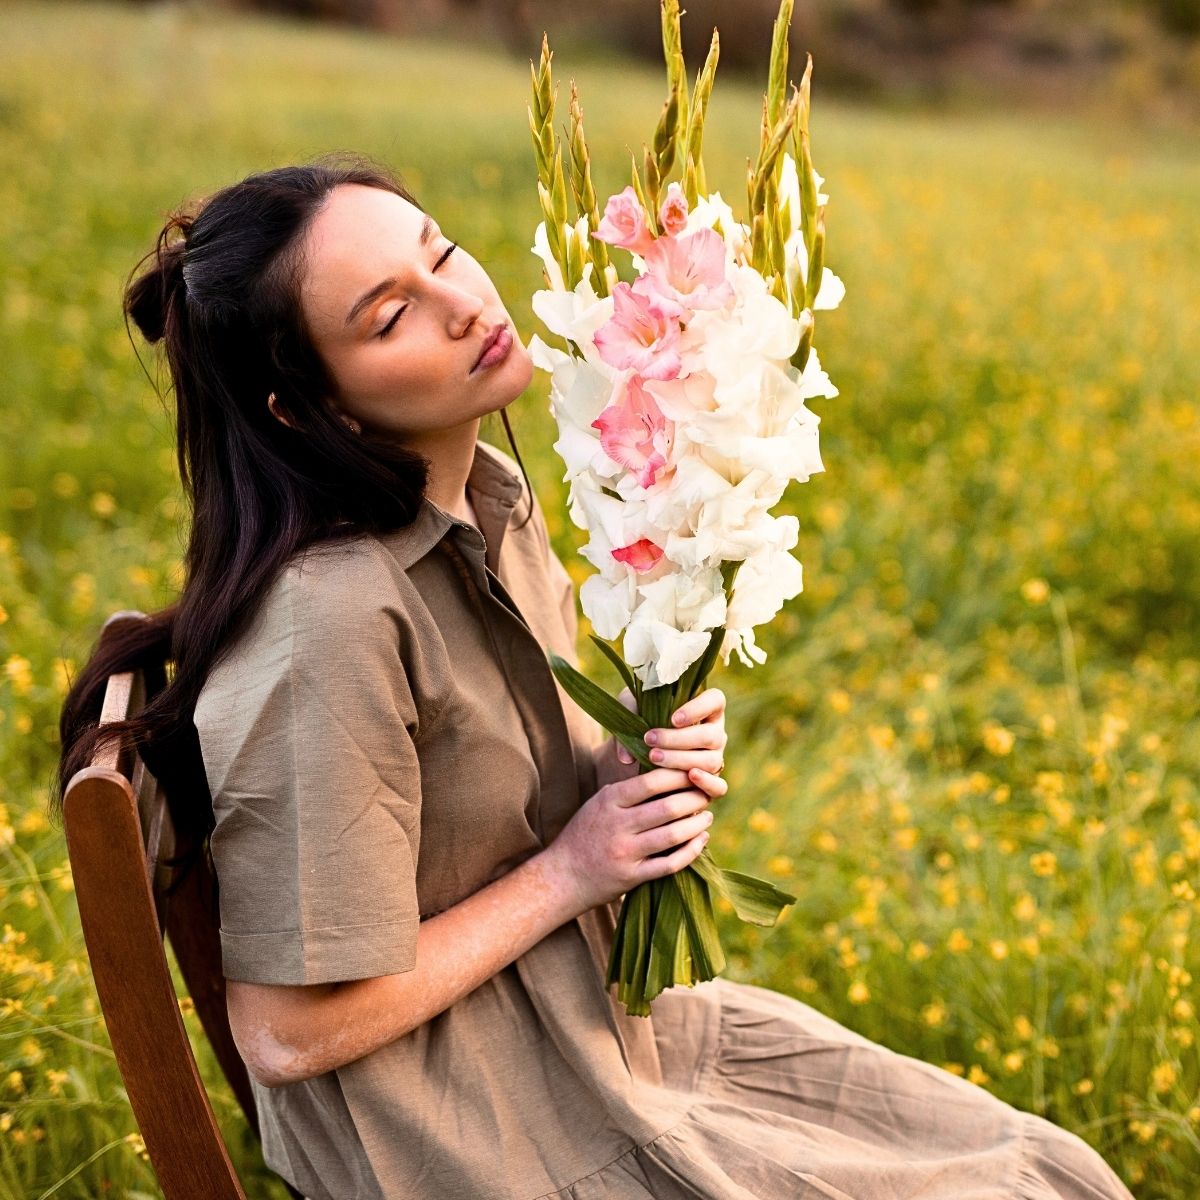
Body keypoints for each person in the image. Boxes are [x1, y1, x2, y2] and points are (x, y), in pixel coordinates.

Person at [55, 155, 1135, 1200]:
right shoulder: (329, 620)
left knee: (1038, 1171)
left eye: (445, 255)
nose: (466, 304)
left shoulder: (488, 495)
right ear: (310, 408)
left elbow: (489, 806)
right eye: (390, 316)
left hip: (610, 1028)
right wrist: (576, 871)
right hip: (474, 1125)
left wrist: (632, 768)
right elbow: (288, 1030)